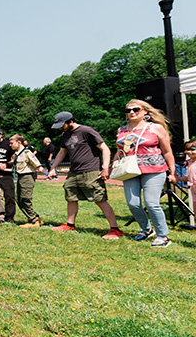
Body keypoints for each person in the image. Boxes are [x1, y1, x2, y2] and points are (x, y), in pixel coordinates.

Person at [48, 111, 123, 239]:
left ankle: (115, 229)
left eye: (62, 125)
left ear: (70, 121)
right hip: (73, 172)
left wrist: (105, 167)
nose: (60, 128)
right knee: (71, 198)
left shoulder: (87, 131)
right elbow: (62, 152)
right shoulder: (65, 134)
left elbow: (104, 148)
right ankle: (70, 225)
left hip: (91, 171)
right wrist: (53, 168)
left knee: (100, 199)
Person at [113, 100, 177, 247]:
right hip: (130, 170)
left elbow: (167, 151)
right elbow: (120, 151)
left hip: (154, 169)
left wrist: (172, 171)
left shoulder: (156, 128)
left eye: (135, 109)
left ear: (145, 111)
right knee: (133, 203)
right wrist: (110, 166)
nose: (131, 112)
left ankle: (163, 235)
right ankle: (146, 229)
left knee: (151, 203)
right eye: (128, 110)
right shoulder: (122, 130)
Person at [9, 134, 43, 228]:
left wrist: (48, 174)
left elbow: (37, 165)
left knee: (25, 198)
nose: (10, 145)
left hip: (27, 177)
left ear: (18, 142)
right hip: (20, 177)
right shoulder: (17, 153)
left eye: (12, 143)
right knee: (19, 199)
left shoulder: (27, 152)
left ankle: (33, 221)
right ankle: (36, 218)